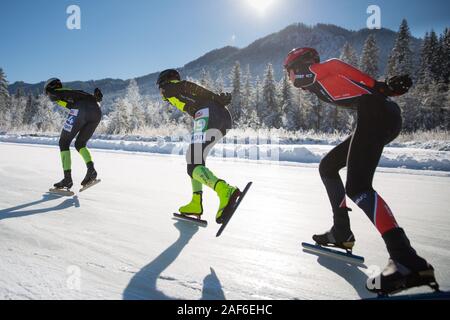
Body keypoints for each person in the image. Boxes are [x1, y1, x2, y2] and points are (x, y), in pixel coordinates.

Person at [284, 48, 437, 294]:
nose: (289, 78)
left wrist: (379, 85)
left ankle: (406, 259)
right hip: (379, 114)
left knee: (358, 187)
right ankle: (341, 231)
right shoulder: (316, 81)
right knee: (328, 166)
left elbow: (335, 65)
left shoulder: (310, 73)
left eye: (288, 72)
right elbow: (348, 80)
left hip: (376, 114)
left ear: (296, 67)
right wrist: (382, 88)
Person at [157, 69, 240, 224]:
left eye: (159, 88)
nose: (160, 93)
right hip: (222, 118)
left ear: (164, 82)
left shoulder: (169, 88)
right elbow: (192, 91)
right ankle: (196, 202)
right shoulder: (177, 93)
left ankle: (225, 190)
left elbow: (190, 86)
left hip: (208, 114)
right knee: (195, 160)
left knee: (193, 163)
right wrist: (216, 99)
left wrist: (215, 97)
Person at [44, 78, 103, 190]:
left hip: (81, 109)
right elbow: (80, 95)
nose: (48, 96)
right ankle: (91, 171)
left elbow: (71, 94)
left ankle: (67, 179)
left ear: (51, 88)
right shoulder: (67, 97)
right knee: (80, 144)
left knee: (64, 142)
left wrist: (52, 92)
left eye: (47, 93)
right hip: (96, 112)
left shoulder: (59, 92)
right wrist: (96, 98)